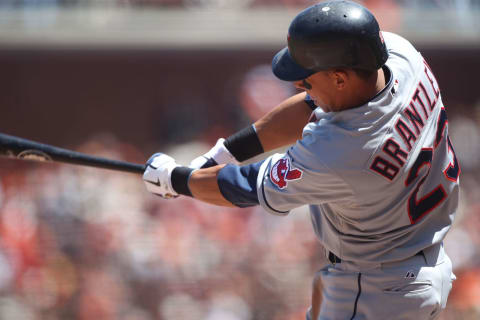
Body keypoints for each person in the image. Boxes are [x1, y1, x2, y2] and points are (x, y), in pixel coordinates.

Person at [143, 1, 460, 319]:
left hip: (377, 289)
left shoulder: (343, 151)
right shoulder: (401, 56)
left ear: (339, 78)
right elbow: (312, 105)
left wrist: (177, 180)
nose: (298, 83)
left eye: (307, 78)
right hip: (416, 262)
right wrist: (222, 154)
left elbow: (243, 186)